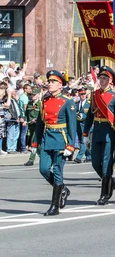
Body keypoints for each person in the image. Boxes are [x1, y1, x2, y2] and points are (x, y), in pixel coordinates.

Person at [30, 71, 76, 216]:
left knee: (57, 171)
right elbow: (40, 123)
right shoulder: (45, 100)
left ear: (60, 85)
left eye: (53, 82)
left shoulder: (67, 101)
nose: (49, 84)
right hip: (47, 137)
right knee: (43, 169)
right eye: (49, 81)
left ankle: (54, 206)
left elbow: (72, 125)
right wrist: (35, 142)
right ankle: (63, 189)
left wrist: (70, 145)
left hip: (61, 139)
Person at [83, 66, 115, 205]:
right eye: (100, 78)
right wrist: (86, 133)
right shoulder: (95, 95)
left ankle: (105, 193)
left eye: (105, 78)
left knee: (106, 164)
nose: (102, 80)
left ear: (110, 80)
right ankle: (110, 182)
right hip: (97, 130)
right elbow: (90, 115)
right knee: (95, 163)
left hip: (109, 131)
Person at [24, 84, 42, 165]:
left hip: (38, 126)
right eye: (32, 95)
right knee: (37, 144)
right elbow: (26, 114)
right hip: (30, 126)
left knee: (33, 142)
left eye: (34, 95)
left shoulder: (41, 104)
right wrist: (25, 120)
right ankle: (44, 157)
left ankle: (31, 159)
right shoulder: (29, 103)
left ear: (38, 95)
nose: (33, 96)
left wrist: (37, 120)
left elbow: (43, 116)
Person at [74, 88, 90, 163]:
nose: (83, 96)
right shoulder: (76, 104)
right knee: (82, 142)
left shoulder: (89, 104)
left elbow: (90, 115)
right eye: (81, 94)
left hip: (85, 125)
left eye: (84, 94)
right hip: (78, 126)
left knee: (83, 142)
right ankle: (89, 156)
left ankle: (79, 157)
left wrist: (82, 116)